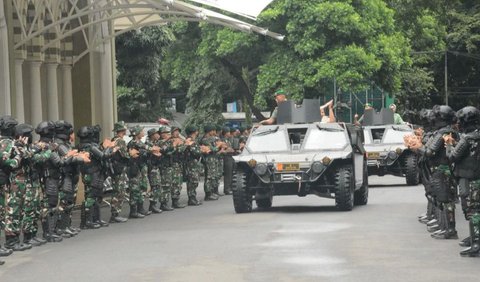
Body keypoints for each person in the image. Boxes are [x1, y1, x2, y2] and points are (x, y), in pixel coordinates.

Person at [444, 106, 480, 256]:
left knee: (472, 210)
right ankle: (474, 239)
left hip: (469, 178)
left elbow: (452, 156)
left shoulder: (467, 138)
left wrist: (448, 144)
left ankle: (476, 244)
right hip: (475, 177)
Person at [109, 121, 130, 223]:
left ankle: (115, 213)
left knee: (117, 190)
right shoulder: (120, 141)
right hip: (119, 169)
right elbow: (125, 155)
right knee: (119, 191)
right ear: (122, 130)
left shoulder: (114, 140)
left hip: (116, 168)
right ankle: (115, 213)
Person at [183, 125, 204, 206]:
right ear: (194, 132)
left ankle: (193, 198)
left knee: (194, 181)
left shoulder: (193, 140)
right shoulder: (190, 140)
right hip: (191, 164)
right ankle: (191, 199)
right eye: (196, 131)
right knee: (192, 181)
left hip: (194, 164)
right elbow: (195, 152)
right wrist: (202, 150)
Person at [145, 128, 163, 213]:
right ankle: (152, 205)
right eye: (156, 134)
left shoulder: (156, 143)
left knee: (157, 185)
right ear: (152, 135)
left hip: (156, 167)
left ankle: (154, 204)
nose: (158, 135)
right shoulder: (149, 144)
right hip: (152, 168)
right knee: (155, 186)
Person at [168, 127, 186, 208]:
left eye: (178, 131)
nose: (177, 133)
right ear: (172, 132)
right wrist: (184, 145)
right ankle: (175, 201)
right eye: (175, 131)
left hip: (179, 163)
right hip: (173, 164)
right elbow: (177, 150)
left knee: (179, 183)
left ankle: (176, 200)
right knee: (175, 183)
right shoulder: (170, 141)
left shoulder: (180, 139)